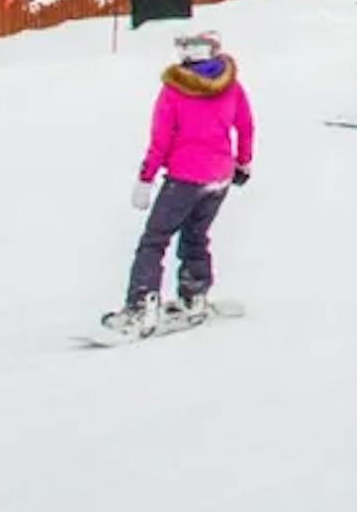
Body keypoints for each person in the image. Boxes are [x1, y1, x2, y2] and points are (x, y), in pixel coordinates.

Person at [106, 27, 255, 336]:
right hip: (219, 176)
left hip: (185, 177)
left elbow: (160, 140)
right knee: (196, 235)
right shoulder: (232, 85)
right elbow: (245, 125)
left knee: (154, 240)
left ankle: (141, 304)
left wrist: (145, 179)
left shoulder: (174, 90)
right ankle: (194, 293)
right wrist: (244, 161)